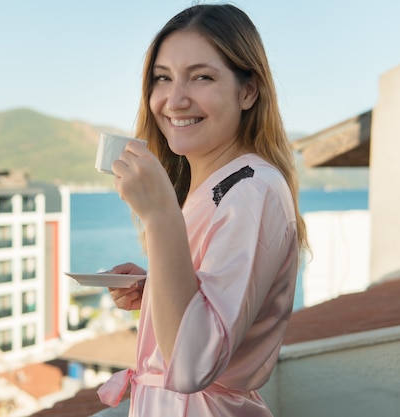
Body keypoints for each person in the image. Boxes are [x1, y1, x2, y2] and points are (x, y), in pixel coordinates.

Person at [96, 4, 308, 417]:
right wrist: (156, 283)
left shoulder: (252, 190)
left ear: (248, 91)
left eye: (202, 77)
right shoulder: (221, 186)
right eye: (163, 78)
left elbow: (193, 365)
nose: (175, 100)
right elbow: (214, 304)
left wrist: (159, 218)